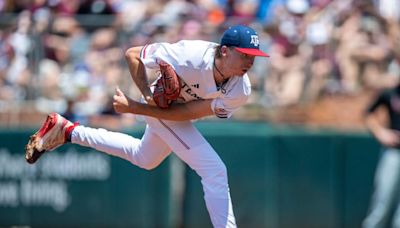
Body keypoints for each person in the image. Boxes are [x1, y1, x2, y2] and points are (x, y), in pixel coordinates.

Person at [25, 25, 269, 228]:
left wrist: (136, 108)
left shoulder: (240, 89)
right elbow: (133, 54)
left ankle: (68, 130)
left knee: (144, 157)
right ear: (225, 51)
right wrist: (145, 95)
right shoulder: (188, 55)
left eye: (254, 56)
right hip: (157, 104)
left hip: (171, 113)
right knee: (214, 170)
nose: (250, 61)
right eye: (245, 54)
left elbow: (188, 113)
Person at [363, 83, 400, 228]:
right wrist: (380, 132)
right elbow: (368, 114)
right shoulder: (391, 92)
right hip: (393, 153)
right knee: (381, 205)